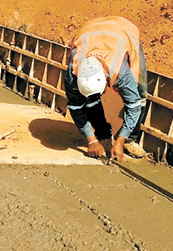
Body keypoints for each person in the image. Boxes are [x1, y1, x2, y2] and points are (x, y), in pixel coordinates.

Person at [63, 16, 149, 162]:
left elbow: (133, 105)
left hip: (124, 31)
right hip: (89, 30)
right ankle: (102, 133)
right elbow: (75, 106)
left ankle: (129, 139)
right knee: (91, 99)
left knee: (139, 92)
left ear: (106, 78)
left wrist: (120, 140)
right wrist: (92, 141)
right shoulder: (73, 74)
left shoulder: (119, 72)